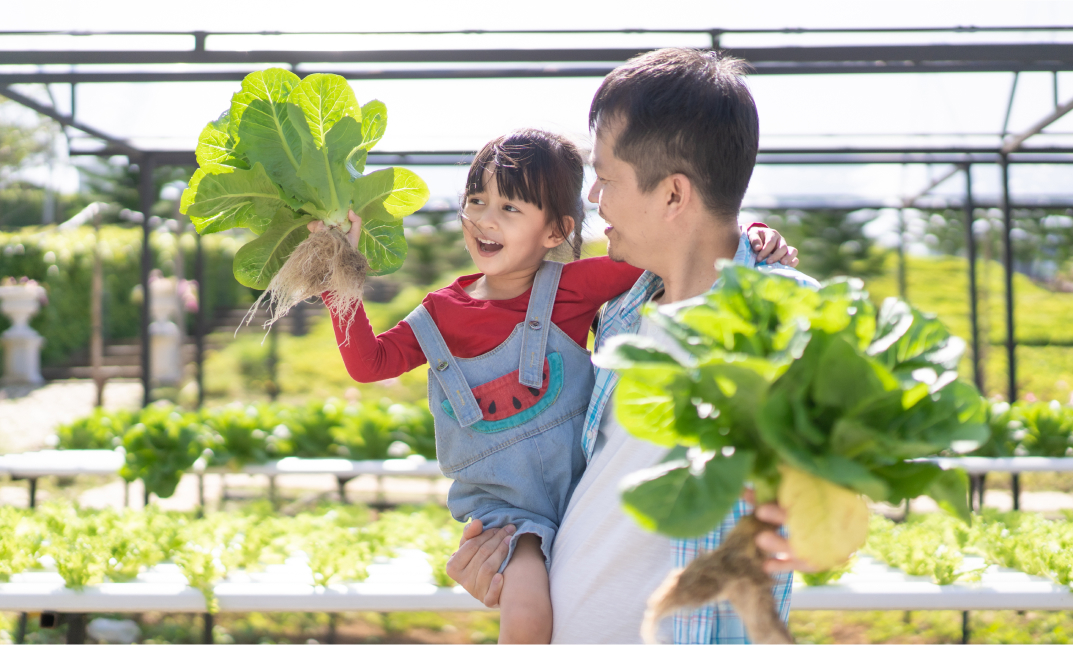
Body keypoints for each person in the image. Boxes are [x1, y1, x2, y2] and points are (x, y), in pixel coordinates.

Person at [311, 128, 797, 643]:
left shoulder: (575, 287)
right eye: (476, 201)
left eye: (509, 208)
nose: (484, 219)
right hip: (509, 512)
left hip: (582, 496)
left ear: (554, 231)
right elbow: (370, 363)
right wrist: (336, 274)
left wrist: (752, 235)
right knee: (525, 616)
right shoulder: (439, 312)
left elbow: (681, 247)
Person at [445, 49, 819, 643]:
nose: (594, 198)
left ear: (673, 195)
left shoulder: (791, 319)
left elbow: (876, 464)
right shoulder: (623, 312)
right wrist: (515, 559)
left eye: (607, 177)